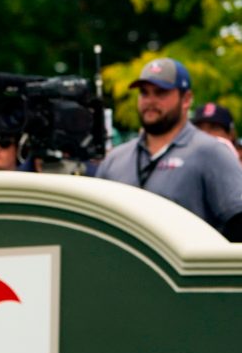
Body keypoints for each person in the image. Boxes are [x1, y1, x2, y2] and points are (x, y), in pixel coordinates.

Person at [97, 58, 242, 239]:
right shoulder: (115, 159)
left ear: (186, 99)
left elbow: (238, 222)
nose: (150, 101)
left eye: (161, 93)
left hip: (187, 266)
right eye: (144, 93)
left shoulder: (211, 152)